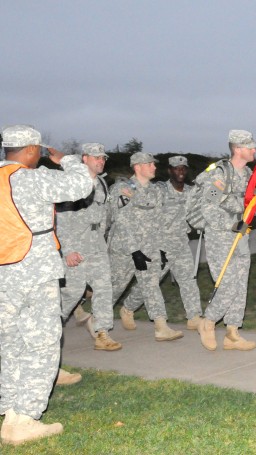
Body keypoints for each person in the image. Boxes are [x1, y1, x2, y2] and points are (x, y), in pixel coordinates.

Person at [0, 124, 93, 445]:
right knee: (42, 342)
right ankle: (23, 419)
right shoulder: (29, 178)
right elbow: (81, 186)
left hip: (3, 272)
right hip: (33, 269)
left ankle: (8, 405)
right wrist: (67, 160)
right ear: (30, 150)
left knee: (10, 341)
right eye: (37, 150)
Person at [197, 130, 256, 352]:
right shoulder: (219, 174)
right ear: (237, 149)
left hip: (242, 236)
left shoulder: (248, 174)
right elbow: (208, 206)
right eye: (250, 147)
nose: (255, 150)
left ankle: (232, 333)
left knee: (240, 284)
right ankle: (207, 322)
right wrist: (231, 224)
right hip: (221, 237)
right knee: (227, 285)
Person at [119, 155, 203, 331]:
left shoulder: (191, 191)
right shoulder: (159, 190)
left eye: (183, 168)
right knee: (150, 284)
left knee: (188, 279)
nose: (180, 171)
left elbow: (195, 215)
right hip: (160, 244)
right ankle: (128, 308)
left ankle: (194, 316)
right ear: (169, 170)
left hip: (180, 242)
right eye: (176, 168)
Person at [108, 152, 183, 342]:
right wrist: (134, 251)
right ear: (137, 167)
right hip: (124, 249)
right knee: (115, 287)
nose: (154, 167)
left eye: (153, 164)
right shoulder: (123, 189)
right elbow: (122, 221)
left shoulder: (155, 191)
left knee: (151, 284)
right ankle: (97, 318)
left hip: (148, 246)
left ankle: (161, 326)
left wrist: (161, 248)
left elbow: (159, 222)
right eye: (149, 164)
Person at [57, 143, 122, 353]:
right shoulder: (72, 183)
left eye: (103, 158)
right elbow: (62, 219)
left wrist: (103, 240)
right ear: (84, 159)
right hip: (76, 245)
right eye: (96, 158)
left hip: (96, 245)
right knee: (72, 292)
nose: (101, 161)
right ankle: (49, 329)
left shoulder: (102, 183)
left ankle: (102, 333)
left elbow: (103, 215)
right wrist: (67, 250)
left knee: (104, 288)